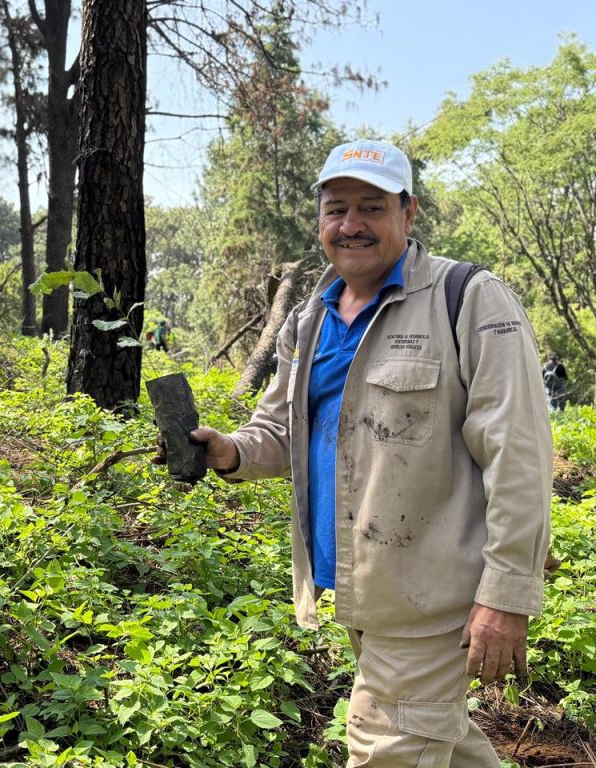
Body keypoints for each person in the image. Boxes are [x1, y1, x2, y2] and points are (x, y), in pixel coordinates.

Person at [173, 139, 552, 765]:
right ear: (320, 220)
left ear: (409, 212)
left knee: (387, 747)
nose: (352, 224)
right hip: (357, 590)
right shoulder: (309, 321)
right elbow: (281, 431)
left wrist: (507, 594)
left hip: (430, 601)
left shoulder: (469, 299)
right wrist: (230, 451)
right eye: (337, 209)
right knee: (439, 744)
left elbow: (519, 453)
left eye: (372, 208)